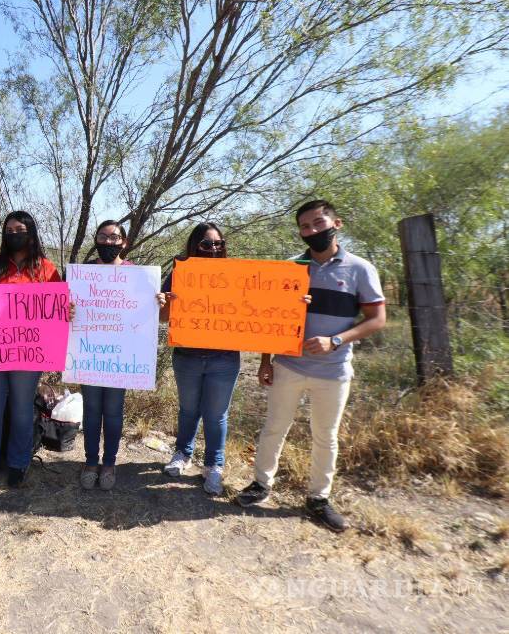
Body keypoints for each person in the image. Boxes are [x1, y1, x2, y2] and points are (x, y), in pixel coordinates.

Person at [237, 199, 386, 532]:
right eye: (305, 227)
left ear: (337, 224)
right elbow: (270, 320)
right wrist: (265, 361)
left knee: (325, 437)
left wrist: (335, 341)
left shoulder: (360, 268)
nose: (312, 231)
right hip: (288, 365)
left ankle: (318, 499)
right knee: (274, 427)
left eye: (318, 223)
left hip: (333, 371)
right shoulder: (290, 268)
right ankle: (261, 484)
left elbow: (377, 319)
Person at [0, 210, 66, 488]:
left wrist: (67, 309)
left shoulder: (46, 268)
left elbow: (57, 308)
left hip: (28, 351)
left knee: (22, 408)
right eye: (9, 231)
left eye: (19, 230)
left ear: (31, 233)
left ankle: (18, 462)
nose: (14, 235)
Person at [78, 220, 167, 491]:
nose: (107, 242)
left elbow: (148, 315)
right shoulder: (84, 272)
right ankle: (91, 462)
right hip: (90, 353)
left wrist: (158, 303)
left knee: (114, 412)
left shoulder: (136, 275)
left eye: (114, 237)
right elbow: (70, 309)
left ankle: (109, 463)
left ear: (124, 242)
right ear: (95, 240)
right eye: (102, 237)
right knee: (92, 412)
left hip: (120, 359)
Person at [158, 223, 241, 495]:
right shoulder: (180, 273)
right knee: (188, 410)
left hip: (224, 359)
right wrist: (164, 300)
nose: (214, 249)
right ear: (195, 246)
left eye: (218, 244)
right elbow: (162, 315)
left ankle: (214, 465)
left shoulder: (238, 276)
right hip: (188, 356)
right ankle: (182, 454)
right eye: (207, 244)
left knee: (216, 415)